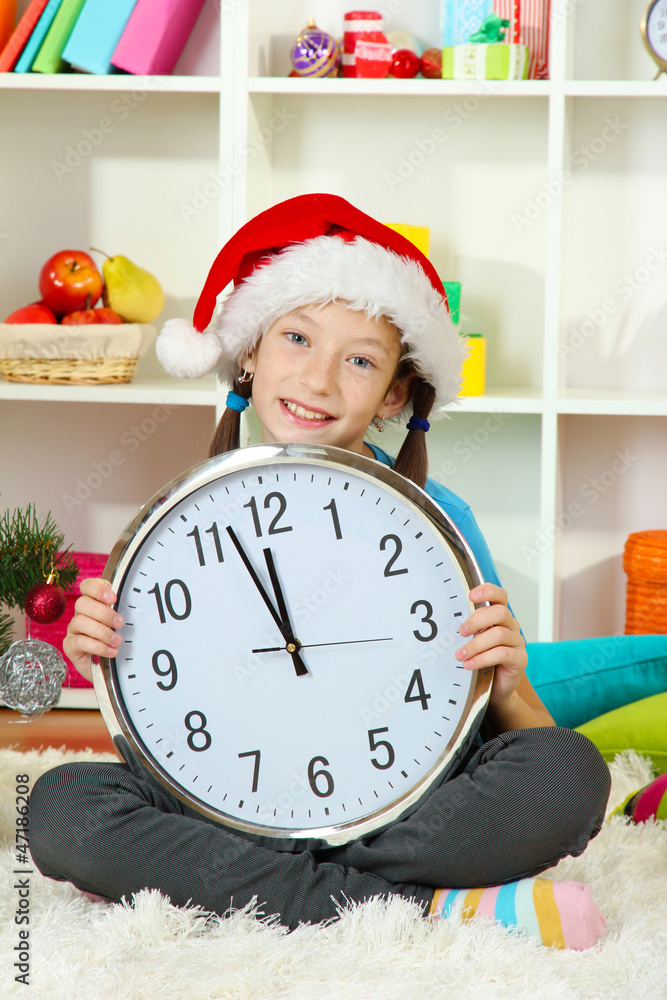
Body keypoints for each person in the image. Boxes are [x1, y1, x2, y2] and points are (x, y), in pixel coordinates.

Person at [30, 194, 612, 950]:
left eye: (359, 360)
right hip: (219, 807)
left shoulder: (441, 522)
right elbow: (163, 732)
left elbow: (520, 725)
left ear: (394, 394)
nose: (318, 379)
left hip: (405, 807)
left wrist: (507, 683)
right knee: (61, 807)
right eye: (297, 339)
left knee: (567, 772)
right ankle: (428, 907)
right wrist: (102, 661)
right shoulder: (181, 520)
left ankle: (249, 887)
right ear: (250, 353)